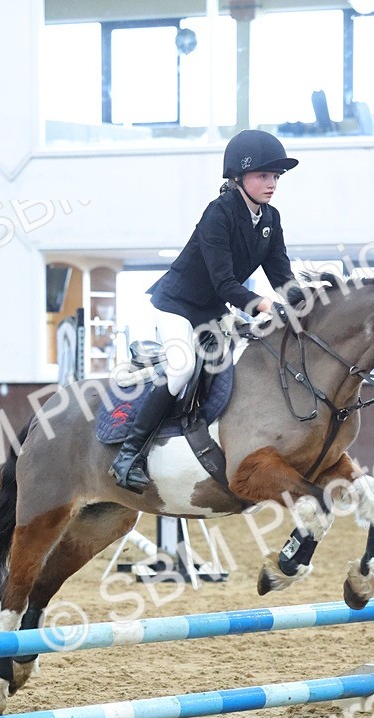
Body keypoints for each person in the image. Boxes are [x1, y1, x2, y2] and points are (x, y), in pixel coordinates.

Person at [109, 129, 301, 493]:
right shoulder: (219, 213)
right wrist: (262, 305)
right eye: (263, 175)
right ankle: (128, 455)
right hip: (177, 305)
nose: (272, 183)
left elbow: (282, 275)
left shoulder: (270, 219)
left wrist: (304, 303)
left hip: (211, 309)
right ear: (239, 177)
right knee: (181, 369)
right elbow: (223, 283)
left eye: (276, 176)